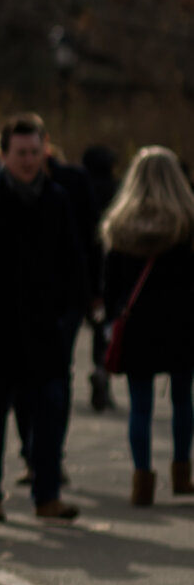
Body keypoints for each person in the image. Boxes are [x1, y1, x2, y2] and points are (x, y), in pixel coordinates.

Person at [0, 114, 91, 521]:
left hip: (47, 330)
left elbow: (73, 260)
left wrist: (70, 315)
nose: (28, 160)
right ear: (3, 154)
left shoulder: (57, 199)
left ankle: (47, 496)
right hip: (0, 330)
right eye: (20, 153)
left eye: (34, 152)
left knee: (50, 416)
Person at [97, 146, 194, 506]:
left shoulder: (120, 225)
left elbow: (110, 285)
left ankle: (142, 483)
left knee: (141, 406)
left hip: (137, 327)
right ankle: (182, 473)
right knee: (183, 400)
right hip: (183, 324)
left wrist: (108, 319)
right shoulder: (187, 222)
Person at [78, 144, 123, 412]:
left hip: (81, 269)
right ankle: (101, 370)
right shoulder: (116, 191)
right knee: (103, 327)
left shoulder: (80, 189)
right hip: (108, 269)